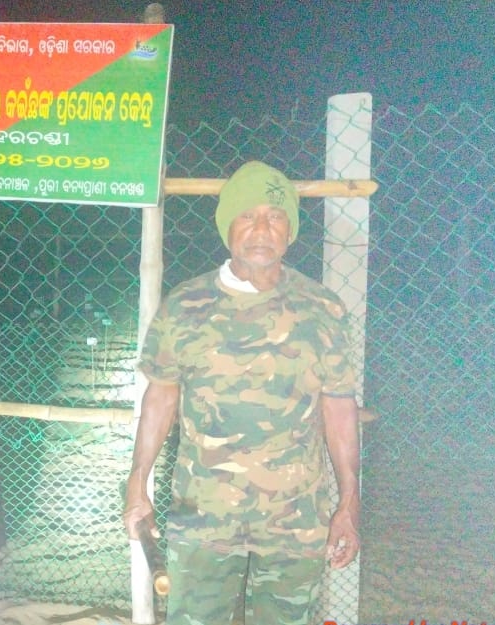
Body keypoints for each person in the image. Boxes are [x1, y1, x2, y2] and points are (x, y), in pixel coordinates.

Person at [123, 160, 361, 625]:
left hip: (295, 518)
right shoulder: (185, 306)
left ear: (289, 231)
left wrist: (349, 500)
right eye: (247, 216)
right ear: (226, 227)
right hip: (205, 512)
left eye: (274, 217)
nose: (261, 229)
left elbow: (339, 408)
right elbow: (161, 396)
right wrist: (138, 479)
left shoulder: (322, 309)